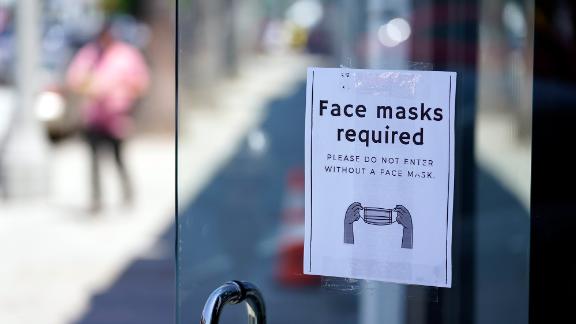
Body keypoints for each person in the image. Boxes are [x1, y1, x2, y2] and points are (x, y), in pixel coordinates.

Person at [66, 22, 150, 213]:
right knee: (94, 161)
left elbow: (142, 82)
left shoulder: (127, 55)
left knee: (118, 158)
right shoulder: (90, 54)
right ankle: (96, 200)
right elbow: (74, 78)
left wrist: (123, 88)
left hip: (118, 117)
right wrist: (89, 85)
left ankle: (128, 194)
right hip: (95, 116)